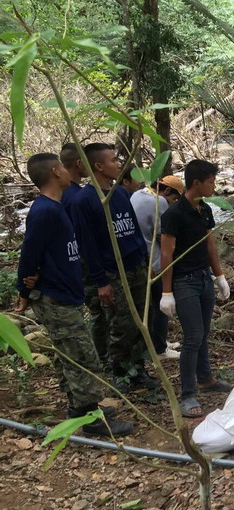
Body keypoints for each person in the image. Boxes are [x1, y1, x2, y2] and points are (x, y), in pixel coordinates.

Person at [15, 153, 133, 437]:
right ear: (56, 172)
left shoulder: (57, 207)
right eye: (63, 168)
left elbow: (48, 251)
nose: (70, 172)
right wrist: (25, 288)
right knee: (82, 356)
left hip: (66, 293)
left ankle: (80, 409)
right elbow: (29, 252)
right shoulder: (44, 211)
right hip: (55, 297)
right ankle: (90, 419)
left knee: (72, 353)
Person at [70, 143, 158, 392]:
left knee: (142, 319)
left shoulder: (119, 193)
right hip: (112, 272)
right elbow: (87, 246)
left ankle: (138, 368)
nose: (119, 164)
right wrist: (101, 281)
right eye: (113, 160)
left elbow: (134, 230)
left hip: (136, 265)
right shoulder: (83, 200)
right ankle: (119, 372)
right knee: (120, 324)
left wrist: (146, 260)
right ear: (98, 166)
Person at [160, 160, 232, 418]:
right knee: (192, 337)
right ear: (196, 183)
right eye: (211, 181)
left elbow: (210, 244)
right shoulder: (174, 214)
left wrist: (219, 276)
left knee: (203, 333)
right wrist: (166, 292)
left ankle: (205, 379)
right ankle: (187, 394)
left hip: (203, 278)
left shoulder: (204, 209)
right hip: (184, 281)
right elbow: (166, 254)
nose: (214, 186)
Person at [60, 143, 114, 364]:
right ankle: (102, 357)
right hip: (87, 263)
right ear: (79, 163)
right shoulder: (75, 197)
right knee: (100, 312)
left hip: (83, 261)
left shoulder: (72, 192)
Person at [131, 176, 185, 360]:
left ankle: (155, 341)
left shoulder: (138, 193)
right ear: (167, 191)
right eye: (174, 199)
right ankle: (160, 349)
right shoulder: (159, 201)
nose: (172, 203)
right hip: (153, 260)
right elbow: (163, 234)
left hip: (139, 257)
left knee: (149, 306)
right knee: (160, 304)